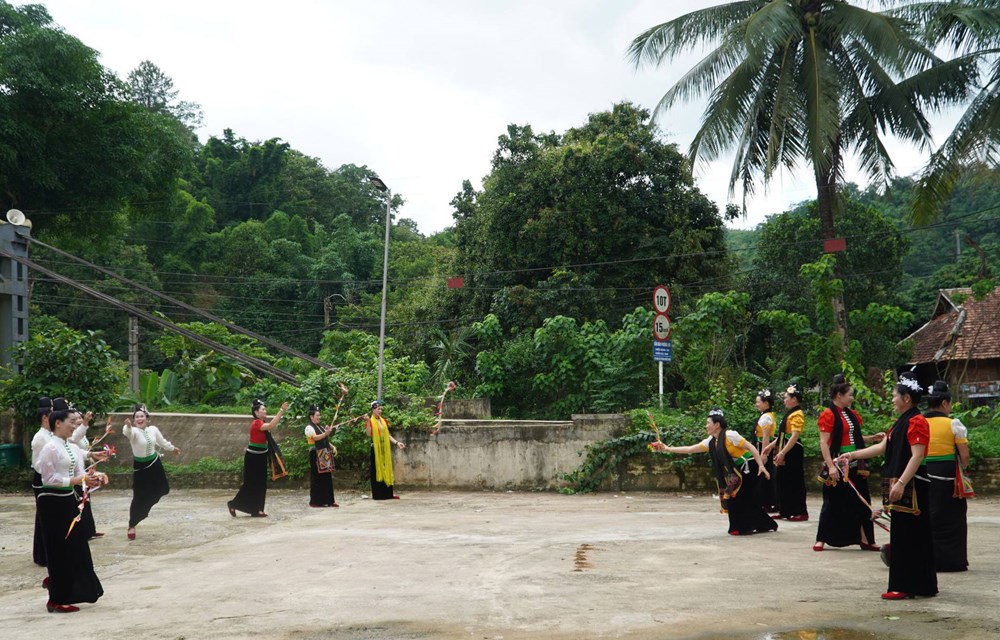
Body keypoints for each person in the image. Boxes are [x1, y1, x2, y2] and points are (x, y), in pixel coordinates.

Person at [840, 371, 937, 600]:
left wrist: (902, 482)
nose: (892, 399)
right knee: (905, 534)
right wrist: (851, 455)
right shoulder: (901, 422)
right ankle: (917, 584)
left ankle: (905, 585)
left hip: (911, 486)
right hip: (901, 483)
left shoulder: (917, 421)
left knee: (910, 535)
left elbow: (917, 455)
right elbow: (881, 448)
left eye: (895, 395)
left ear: (906, 398)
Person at [651, 409, 777, 535]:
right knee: (734, 497)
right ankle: (755, 525)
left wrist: (761, 465)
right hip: (737, 472)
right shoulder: (711, 442)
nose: (706, 426)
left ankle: (746, 527)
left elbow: (751, 447)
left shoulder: (730, 435)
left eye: (708, 423)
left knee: (740, 497)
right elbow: (690, 449)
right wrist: (667, 448)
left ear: (717, 425)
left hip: (749, 467)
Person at [36, 397, 105, 613]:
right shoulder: (49, 447)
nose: (74, 426)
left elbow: (77, 473)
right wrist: (75, 481)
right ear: (58, 423)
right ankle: (56, 598)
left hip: (68, 500)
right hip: (52, 503)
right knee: (59, 549)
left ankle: (71, 590)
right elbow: (48, 479)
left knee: (76, 547)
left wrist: (92, 477)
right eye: (71, 423)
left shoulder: (70, 447)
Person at [814, 374, 882, 552]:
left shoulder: (852, 415)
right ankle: (821, 538)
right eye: (850, 395)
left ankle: (866, 538)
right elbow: (824, 443)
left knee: (862, 499)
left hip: (855, 462)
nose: (852, 398)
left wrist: (872, 438)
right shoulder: (827, 415)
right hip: (837, 462)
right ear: (839, 396)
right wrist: (830, 466)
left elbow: (855, 438)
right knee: (831, 501)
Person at [924, 380, 970, 572]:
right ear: (944, 404)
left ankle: (927, 559)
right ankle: (953, 560)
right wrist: (961, 470)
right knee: (953, 517)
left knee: (929, 515)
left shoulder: (919, 422)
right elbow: (964, 455)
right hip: (948, 476)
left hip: (924, 473)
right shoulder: (954, 424)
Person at [121, 405, 180, 540]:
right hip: (141, 467)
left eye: (142, 416)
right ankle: (132, 524)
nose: (139, 419)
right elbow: (127, 432)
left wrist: (173, 448)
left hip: (154, 463)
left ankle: (147, 505)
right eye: (137, 417)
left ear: (147, 418)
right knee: (139, 496)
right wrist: (128, 426)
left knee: (163, 489)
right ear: (134, 420)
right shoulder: (134, 432)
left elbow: (161, 441)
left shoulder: (153, 429)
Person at [228, 398, 288, 517]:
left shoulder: (262, 423)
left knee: (261, 483)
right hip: (253, 457)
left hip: (262, 456)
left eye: (265, 409)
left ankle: (258, 509)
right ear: (256, 413)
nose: (265, 411)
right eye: (263, 409)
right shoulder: (257, 423)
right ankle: (233, 504)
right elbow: (271, 425)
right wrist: (281, 410)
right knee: (250, 483)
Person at [67, 407, 108, 540]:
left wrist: (91, 455)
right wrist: (84, 423)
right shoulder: (73, 434)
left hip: (83, 469)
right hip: (75, 473)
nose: (78, 421)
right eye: (74, 419)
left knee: (86, 499)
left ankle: (89, 529)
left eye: (79, 417)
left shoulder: (80, 432)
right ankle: (83, 530)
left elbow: (79, 449)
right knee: (81, 500)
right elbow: (74, 441)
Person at [773, 383, 809, 521]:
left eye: (786, 397)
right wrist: (772, 446)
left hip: (792, 450)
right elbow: (783, 434)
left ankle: (800, 511)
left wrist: (783, 452)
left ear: (794, 399)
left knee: (794, 481)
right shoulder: (789, 413)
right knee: (783, 480)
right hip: (785, 447)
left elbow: (794, 435)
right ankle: (785, 510)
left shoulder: (797, 414)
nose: (784, 400)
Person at [31, 396, 54, 568]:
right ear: (45, 418)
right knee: (43, 517)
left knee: (47, 518)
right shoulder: (40, 438)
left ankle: (47, 553)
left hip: (49, 478)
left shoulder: (49, 435)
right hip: (42, 480)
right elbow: (38, 465)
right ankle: (41, 554)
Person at [366, 400, 405, 500]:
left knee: (387, 468)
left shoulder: (383, 421)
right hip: (375, 448)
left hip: (384, 448)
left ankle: (388, 494)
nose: (380, 411)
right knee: (377, 470)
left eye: (381, 409)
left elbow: (387, 435)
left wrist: (397, 443)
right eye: (378, 409)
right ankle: (378, 495)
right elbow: (369, 434)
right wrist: (367, 422)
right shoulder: (370, 421)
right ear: (373, 410)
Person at [304, 405, 338, 508]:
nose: (319, 417)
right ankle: (315, 501)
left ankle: (329, 500)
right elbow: (315, 437)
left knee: (327, 477)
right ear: (311, 416)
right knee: (317, 477)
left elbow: (325, 439)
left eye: (319, 415)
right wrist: (325, 433)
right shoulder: (309, 427)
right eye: (317, 415)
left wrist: (332, 447)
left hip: (324, 453)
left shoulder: (320, 426)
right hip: (315, 454)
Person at [751, 388, 778, 513]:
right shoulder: (767, 415)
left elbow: (765, 437)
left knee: (764, 475)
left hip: (762, 446)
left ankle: (766, 502)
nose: (756, 404)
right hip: (761, 445)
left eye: (758, 402)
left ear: (766, 403)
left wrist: (764, 454)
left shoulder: (766, 417)